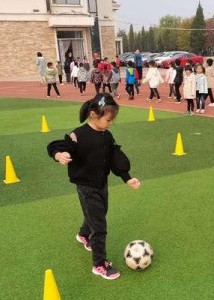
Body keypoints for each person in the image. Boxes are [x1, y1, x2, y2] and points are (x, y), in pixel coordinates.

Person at [47, 93, 141, 280]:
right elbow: (56, 146)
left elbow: (115, 157)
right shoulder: (78, 135)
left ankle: (83, 234)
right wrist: (59, 155)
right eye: (108, 120)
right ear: (93, 115)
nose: (110, 123)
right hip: (85, 185)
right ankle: (99, 264)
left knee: (99, 212)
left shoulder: (107, 135)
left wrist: (126, 177)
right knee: (99, 224)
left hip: (101, 182)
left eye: (112, 120)